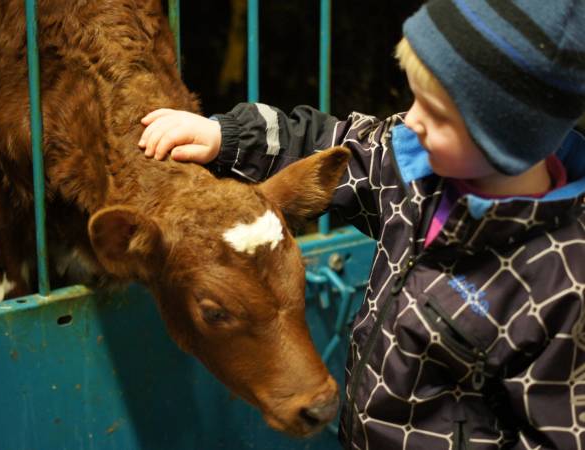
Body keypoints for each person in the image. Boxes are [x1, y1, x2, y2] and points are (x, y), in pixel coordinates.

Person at [138, 0, 585, 448]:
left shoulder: (562, 280)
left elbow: (559, 432)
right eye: (414, 97)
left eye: (437, 113)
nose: (410, 119)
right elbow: (330, 144)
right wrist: (225, 138)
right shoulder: (414, 171)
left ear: (503, 135)